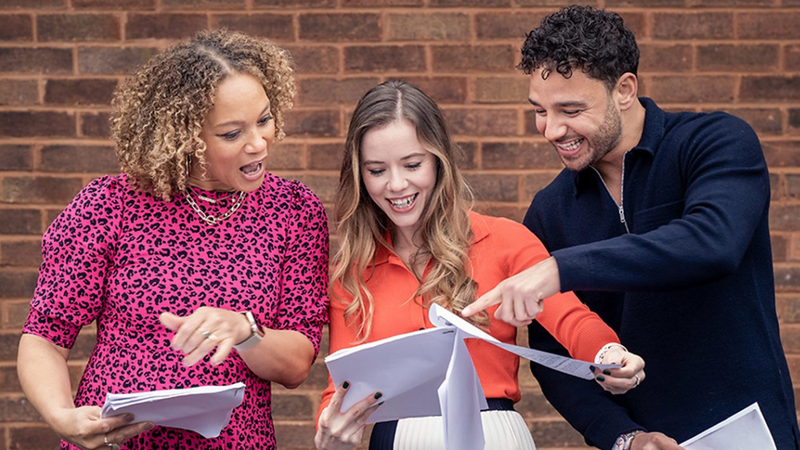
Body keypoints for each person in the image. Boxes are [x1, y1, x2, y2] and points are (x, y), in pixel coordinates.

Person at [461, 5, 800, 450]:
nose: (550, 129)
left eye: (570, 109)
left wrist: (559, 269)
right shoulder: (549, 211)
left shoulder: (714, 142)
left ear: (624, 89)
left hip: (752, 431)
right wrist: (624, 438)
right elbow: (556, 360)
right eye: (540, 110)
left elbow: (713, 242)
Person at [16, 29, 329, 450]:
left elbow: (296, 366)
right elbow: (45, 336)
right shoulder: (109, 205)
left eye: (264, 119)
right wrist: (60, 415)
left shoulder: (294, 211)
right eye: (232, 133)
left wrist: (245, 329)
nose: (259, 143)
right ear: (186, 138)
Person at [314, 80, 645, 450]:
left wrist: (608, 354)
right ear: (359, 175)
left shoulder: (505, 239)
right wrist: (332, 433)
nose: (396, 184)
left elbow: (569, 317)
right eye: (376, 170)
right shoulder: (353, 275)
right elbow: (341, 388)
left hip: (494, 434)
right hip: (396, 437)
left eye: (412, 164)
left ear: (439, 160)